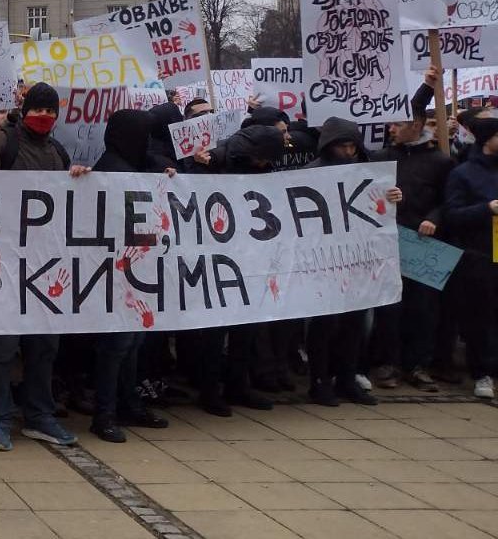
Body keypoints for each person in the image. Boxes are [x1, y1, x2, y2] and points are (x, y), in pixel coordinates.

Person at [0, 83, 82, 451]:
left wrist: (80, 179)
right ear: (25, 109)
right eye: (38, 109)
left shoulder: (58, 151)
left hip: (45, 266)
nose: (44, 116)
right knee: (3, 348)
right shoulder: (2, 143)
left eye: (50, 111)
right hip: (5, 264)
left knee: (45, 345)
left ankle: (39, 415)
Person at [184, 124, 285, 415]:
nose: (265, 164)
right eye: (263, 158)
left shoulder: (260, 168)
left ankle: (238, 385)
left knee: (246, 327)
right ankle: (209, 390)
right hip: (217, 257)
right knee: (215, 331)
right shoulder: (214, 161)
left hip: (250, 256)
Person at [87, 109, 171, 443]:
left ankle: (127, 404)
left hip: (134, 269)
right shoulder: (111, 170)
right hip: (116, 272)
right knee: (117, 345)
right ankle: (105, 413)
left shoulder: (133, 165)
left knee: (132, 342)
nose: (147, 141)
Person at [304, 117, 397, 406]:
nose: (347, 151)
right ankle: (320, 381)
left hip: (358, 259)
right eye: (342, 146)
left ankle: (346, 379)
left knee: (354, 324)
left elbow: (377, 205)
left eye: (352, 146)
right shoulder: (310, 174)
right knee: (324, 325)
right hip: (325, 261)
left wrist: (392, 196)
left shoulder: (366, 172)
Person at [369, 76, 453, 392]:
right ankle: (387, 363)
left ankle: (418, 365)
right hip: (388, 243)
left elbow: (449, 201)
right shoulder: (380, 158)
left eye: (398, 123)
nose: (391, 128)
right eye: (390, 123)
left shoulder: (440, 161)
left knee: (424, 309)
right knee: (390, 308)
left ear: (416, 126)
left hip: (424, 244)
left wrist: (433, 218)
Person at [441, 111, 498, 399]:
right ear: (487, 139)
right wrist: (486, 209)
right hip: (480, 256)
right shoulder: (463, 173)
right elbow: (452, 215)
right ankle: (482, 372)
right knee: (481, 317)